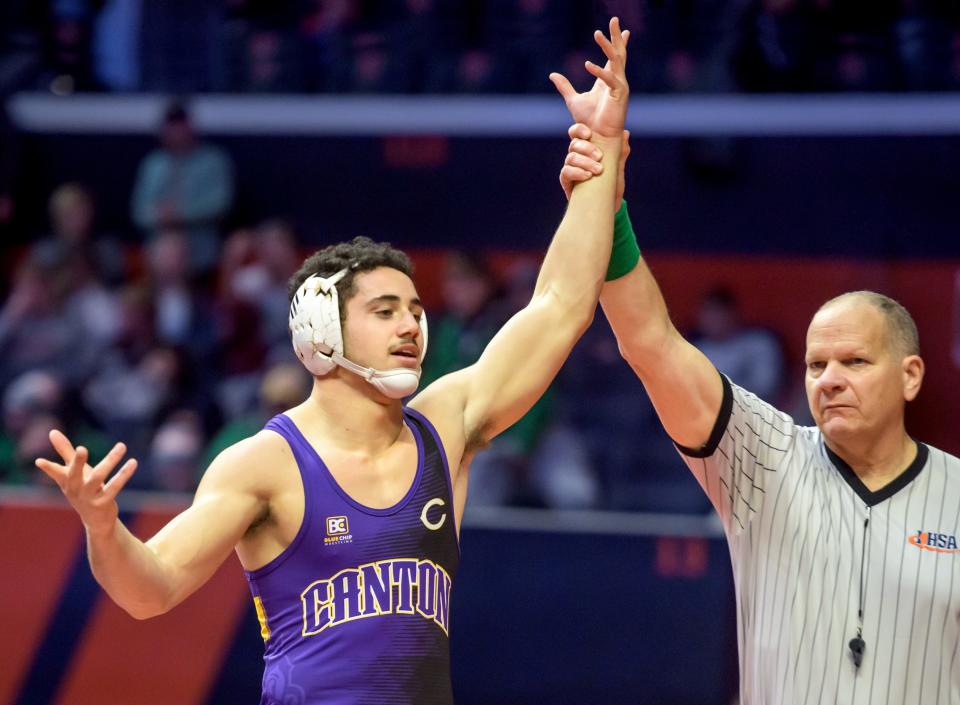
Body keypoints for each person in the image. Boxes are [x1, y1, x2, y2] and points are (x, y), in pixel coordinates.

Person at [35, 18, 630, 705]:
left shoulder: (446, 423)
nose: (411, 324)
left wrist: (605, 145)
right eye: (384, 310)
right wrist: (104, 530)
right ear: (320, 330)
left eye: (414, 309)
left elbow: (560, 305)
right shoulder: (264, 462)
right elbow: (152, 589)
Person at [561, 125, 960, 704]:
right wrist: (608, 211)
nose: (831, 380)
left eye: (854, 361)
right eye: (816, 365)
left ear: (911, 375)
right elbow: (652, 343)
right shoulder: (764, 458)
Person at [130, 100, 235, 274]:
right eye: (171, 128)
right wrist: (160, 215)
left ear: (190, 128)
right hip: (157, 250)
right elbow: (138, 211)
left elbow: (220, 203)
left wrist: (180, 213)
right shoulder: (153, 164)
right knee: (165, 250)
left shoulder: (212, 160)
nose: (176, 134)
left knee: (176, 250)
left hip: (200, 250)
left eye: (180, 127)